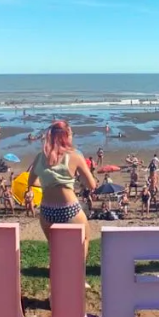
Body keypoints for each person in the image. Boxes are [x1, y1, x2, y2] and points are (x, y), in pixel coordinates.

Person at [26, 120, 97, 285]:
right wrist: (70, 181)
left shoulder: (40, 157)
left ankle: (58, 284)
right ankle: (78, 277)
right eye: (71, 134)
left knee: (55, 248)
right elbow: (91, 185)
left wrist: (48, 182)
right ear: (66, 136)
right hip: (68, 208)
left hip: (47, 211)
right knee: (84, 239)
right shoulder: (75, 155)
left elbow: (32, 181)